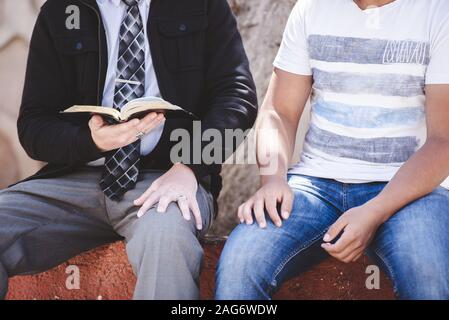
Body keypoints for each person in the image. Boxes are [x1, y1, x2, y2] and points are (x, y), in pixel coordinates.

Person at [0, 0, 257, 300]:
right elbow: (34, 126)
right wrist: (91, 140)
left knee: (167, 240)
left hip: (167, 178)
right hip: (77, 180)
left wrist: (190, 166)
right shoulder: (61, 9)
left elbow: (238, 98)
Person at [216, 0, 449, 300]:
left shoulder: (438, 12)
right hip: (316, 186)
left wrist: (374, 211)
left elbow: (443, 141)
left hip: (411, 191)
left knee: (426, 273)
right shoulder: (312, 9)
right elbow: (279, 111)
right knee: (240, 264)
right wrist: (273, 180)